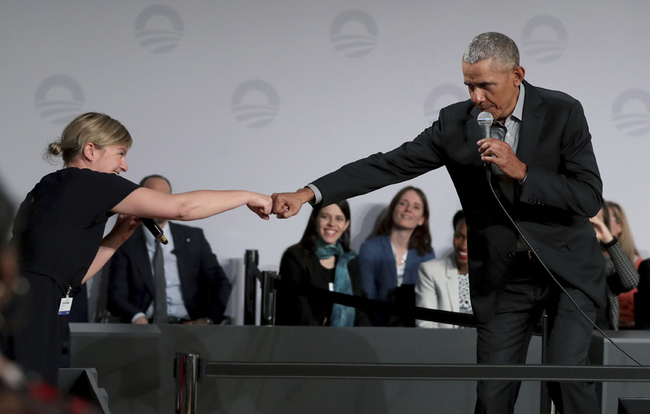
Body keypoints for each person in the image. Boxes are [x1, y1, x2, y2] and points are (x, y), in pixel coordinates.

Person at [271, 32, 605, 414]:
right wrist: (308, 193)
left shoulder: (563, 111)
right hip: (503, 279)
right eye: (468, 85)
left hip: (566, 271)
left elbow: (588, 196)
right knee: (493, 396)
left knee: (567, 377)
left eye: (485, 86)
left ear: (517, 75)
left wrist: (523, 171)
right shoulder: (455, 123)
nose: (476, 97)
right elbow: (387, 165)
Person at [3, 112, 272, 386]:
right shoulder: (91, 182)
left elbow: (73, 276)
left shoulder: (48, 185)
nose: (125, 166)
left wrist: (118, 236)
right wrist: (246, 196)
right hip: (37, 308)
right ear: (90, 150)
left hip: (27, 303)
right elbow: (182, 208)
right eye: (120, 153)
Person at [107, 175, 232, 325]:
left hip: (190, 327)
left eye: (165, 198)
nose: (161, 204)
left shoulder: (193, 238)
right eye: (154, 197)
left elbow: (220, 283)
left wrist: (208, 320)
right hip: (144, 327)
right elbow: (116, 296)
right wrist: (136, 316)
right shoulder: (125, 240)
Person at [275, 200, 370, 326]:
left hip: (344, 339)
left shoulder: (351, 260)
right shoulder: (295, 257)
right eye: (325, 217)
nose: (332, 223)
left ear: (346, 224)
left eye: (339, 219)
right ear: (315, 219)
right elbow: (300, 312)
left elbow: (359, 310)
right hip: (304, 338)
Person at [358, 186, 435, 326]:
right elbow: (367, 299)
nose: (408, 209)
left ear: (422, 219)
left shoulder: (427, 254)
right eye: (403, 203)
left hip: (415, 331)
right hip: (376, 327)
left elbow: (427, 302)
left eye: (416, 207)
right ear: (394, 209)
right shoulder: (369, 249)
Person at [416, 210, 469, 329]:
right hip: (445, 345)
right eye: (459, 236)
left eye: (471, 238)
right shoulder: (431, 271)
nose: (464, 245)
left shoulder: (494, 273)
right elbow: (425, 325)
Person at [590, 204, 639, 330]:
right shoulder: (564, 260)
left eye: (597, 219)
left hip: (604, 334)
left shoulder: (605, 264)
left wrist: (609, 240)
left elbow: (630, 281)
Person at [604, 201, 642, 328]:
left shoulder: (639, 264)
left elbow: (630, 282)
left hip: (633, 331)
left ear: (620, 225)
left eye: (606, 218)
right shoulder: (591, 261)